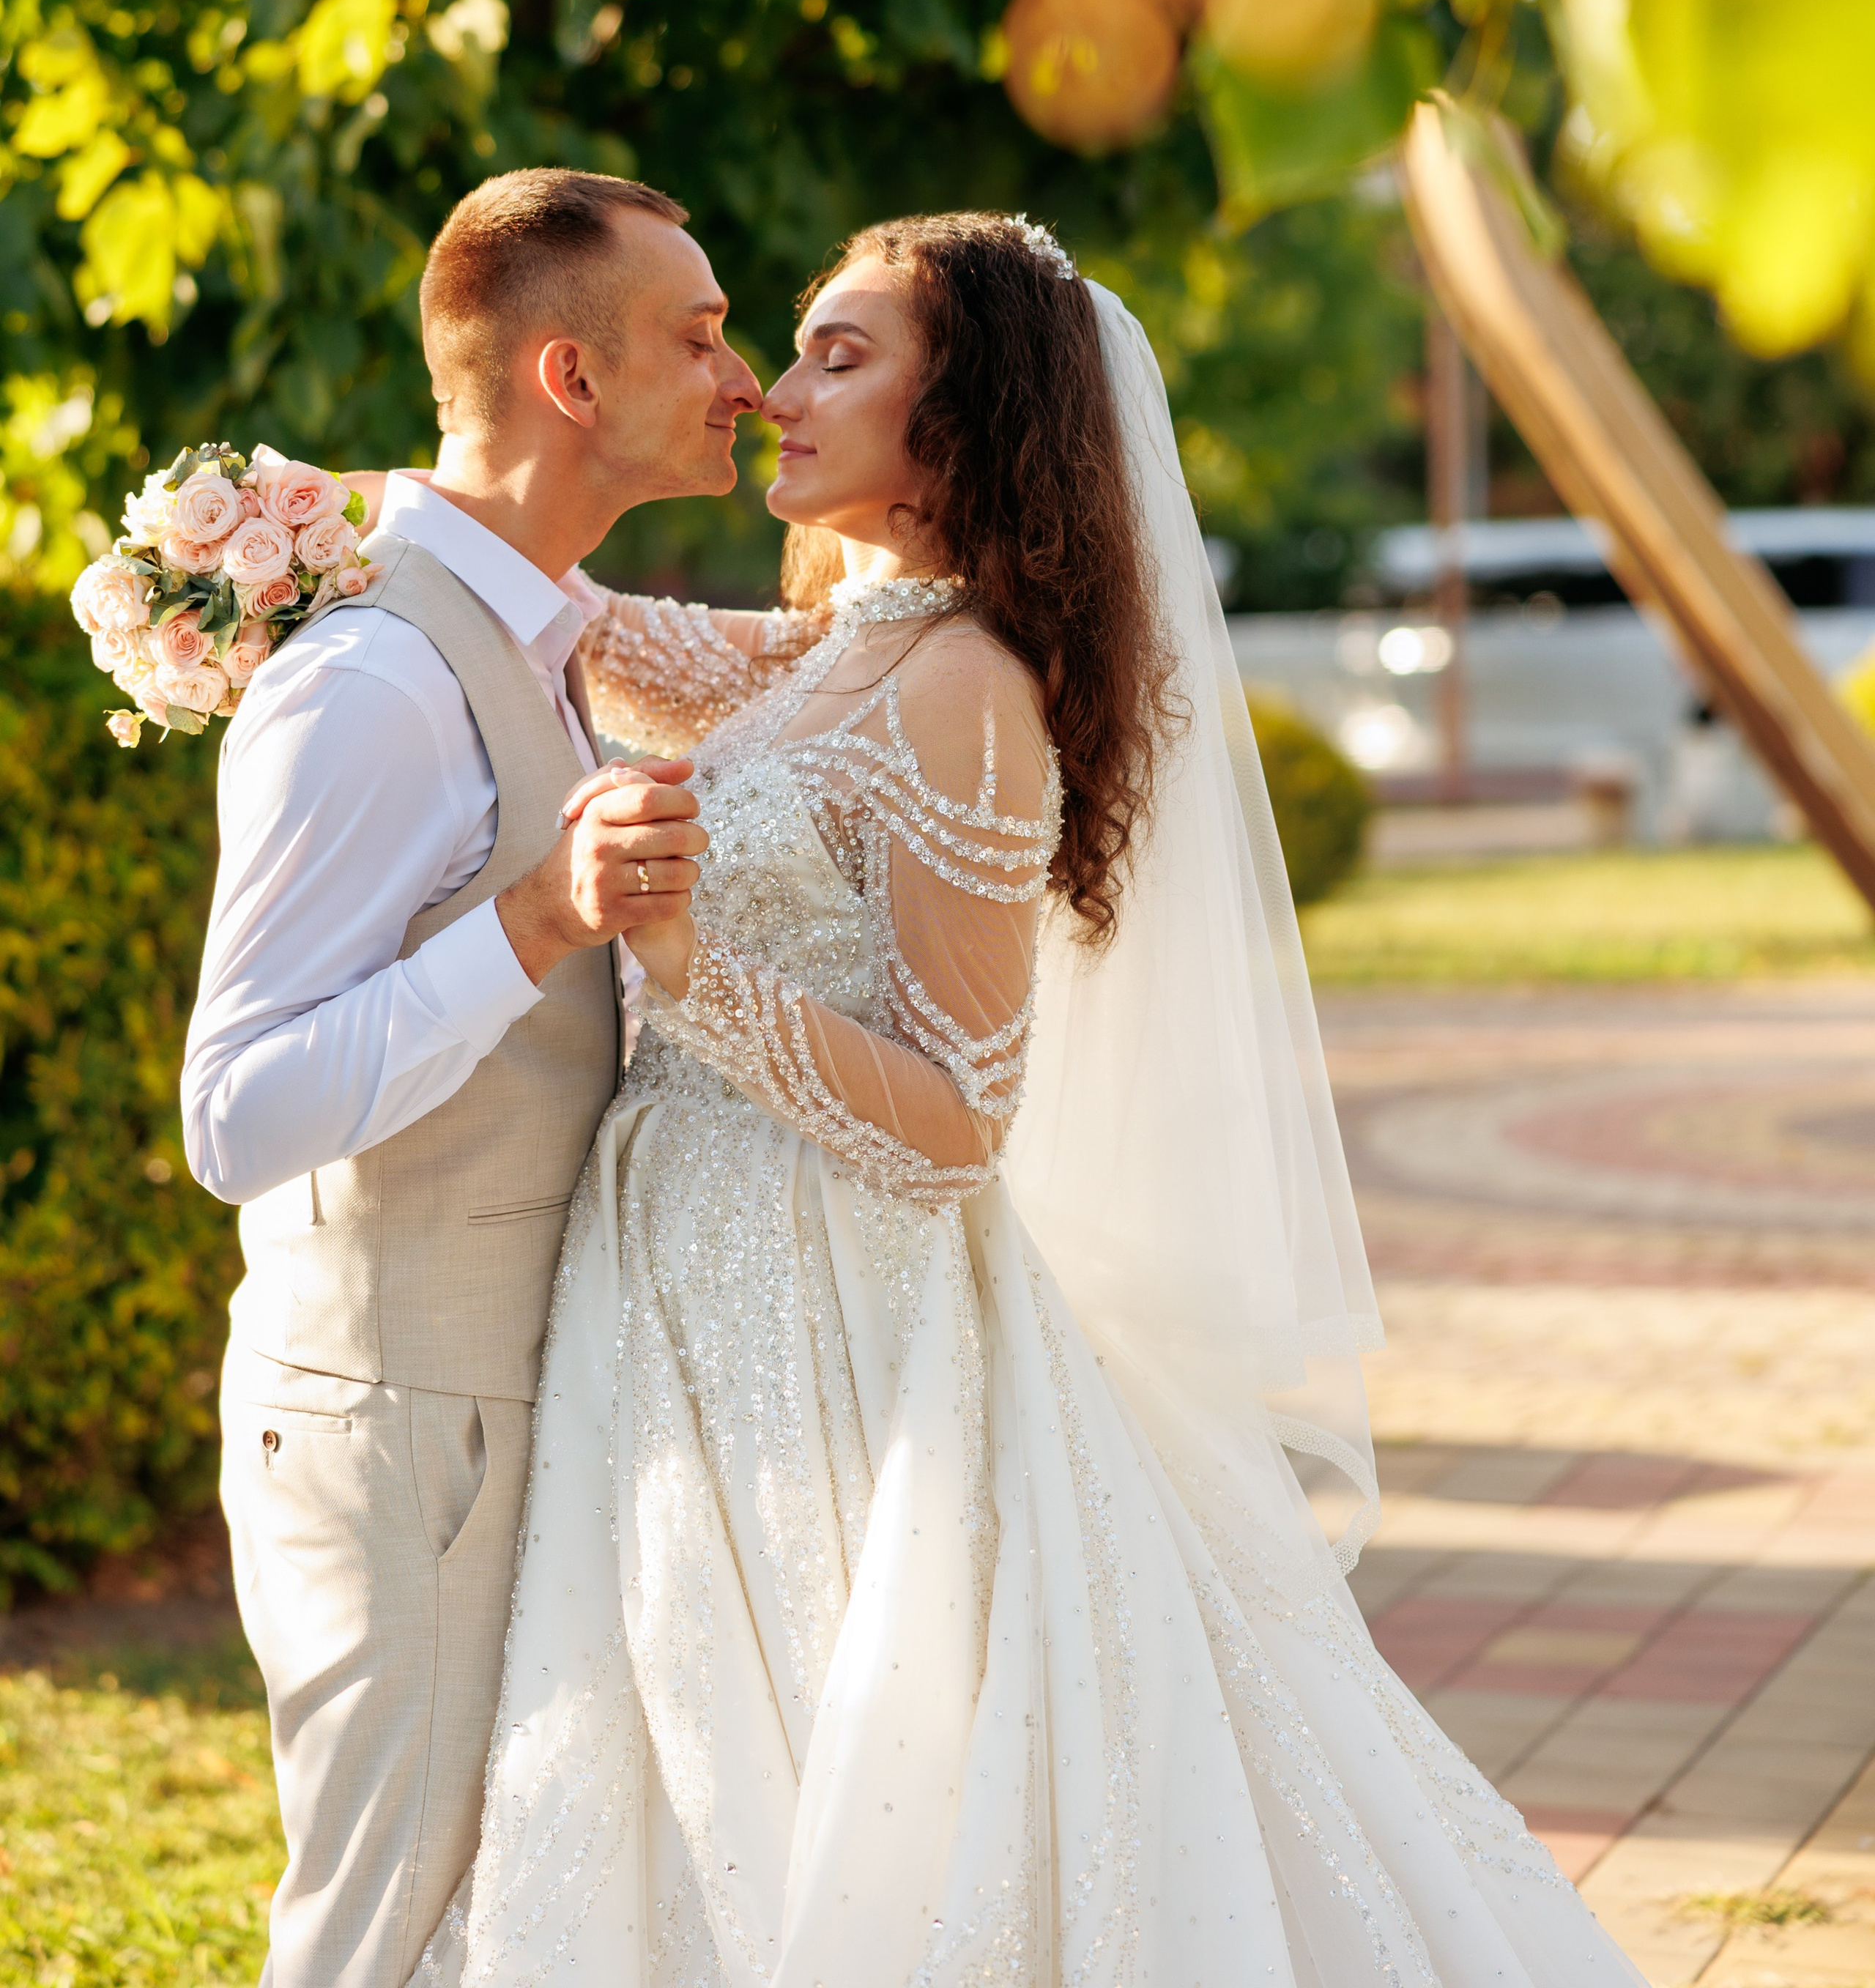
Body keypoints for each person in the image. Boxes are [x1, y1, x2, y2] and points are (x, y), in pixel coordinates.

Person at [415, 209, 1644, 1987]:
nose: (776, 392)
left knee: (856, 1776)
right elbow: (579, 621)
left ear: (964, 421)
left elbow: (957, 1118)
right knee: (692, 1739)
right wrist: (312, 528)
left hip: (843, 1308)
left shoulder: (964, 689)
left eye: (842, 358)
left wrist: (687, 975)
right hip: (677, 1271)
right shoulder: (828, 650)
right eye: (790, 348)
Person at [182, 168, 768, 1988]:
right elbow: (237, 1111)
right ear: (567, 382)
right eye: (700, 335)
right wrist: (527, 924)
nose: (740, 377)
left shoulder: (549, 634)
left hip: (511, 1398)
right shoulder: (369, 678)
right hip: (392, 1420)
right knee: (377, 1930)